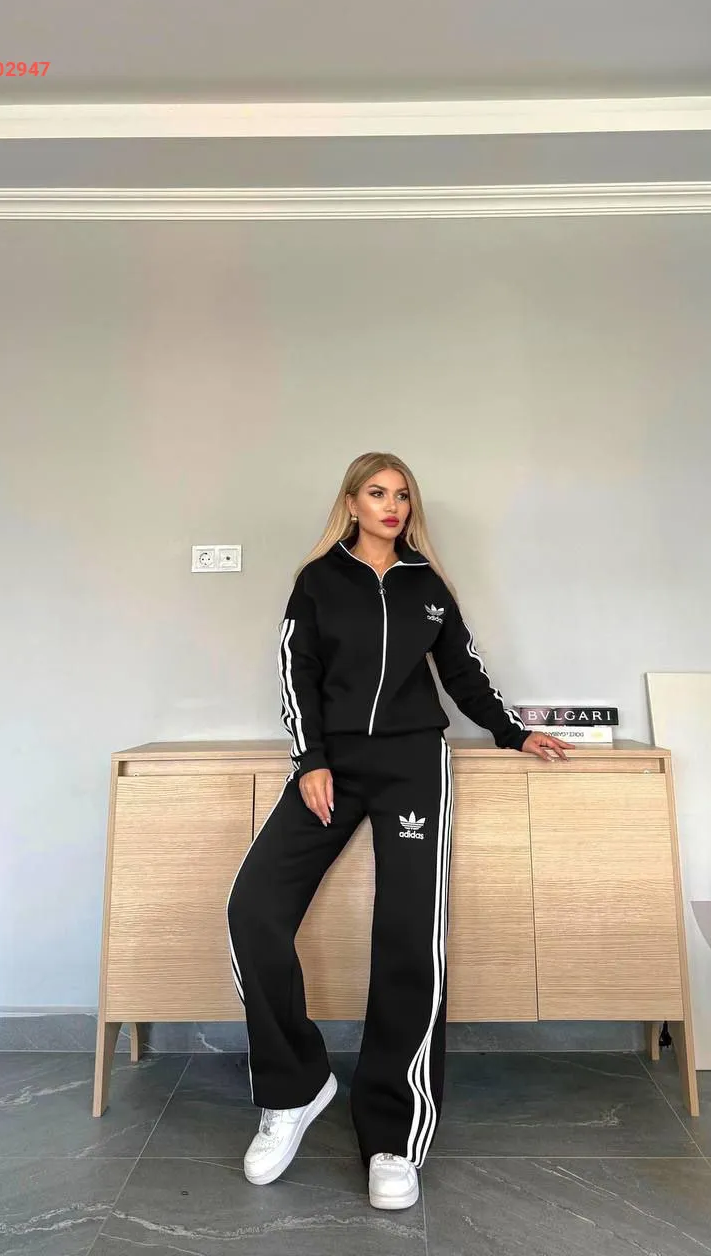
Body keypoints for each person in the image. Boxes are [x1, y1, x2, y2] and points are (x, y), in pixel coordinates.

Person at [226, 451, 573, 1210]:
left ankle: (393, 1134)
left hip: (415, 764)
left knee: (409, 937)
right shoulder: (318, 580)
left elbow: (464, 674)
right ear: (351, 503)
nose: (393, 505)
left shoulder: (427, 587)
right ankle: (295, 1089)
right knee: (253, 910)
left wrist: (512, 732)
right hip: (332, 765)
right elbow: (297, 673)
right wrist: (311, 759)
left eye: (403, 495)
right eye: (378, 493)